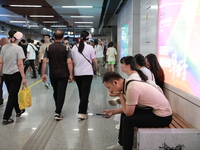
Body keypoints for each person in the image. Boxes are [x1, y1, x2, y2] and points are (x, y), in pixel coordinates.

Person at [102, 72, 172, 150]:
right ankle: (122, 143)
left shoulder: (132, 88)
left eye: (108, 87)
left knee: (127, 121)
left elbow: (128, 113)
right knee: (124, 115)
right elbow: (127, 108)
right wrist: (113, 111)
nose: (109, 91)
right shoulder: (129, 83)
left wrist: (120, 96)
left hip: (162, 117)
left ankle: (127, 148)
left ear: (115, 82)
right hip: (155, 111)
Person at [42, 30, 73, 120]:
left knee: (55, 91)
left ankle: (57, 108)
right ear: (63, 38)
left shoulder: (48, 48)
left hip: (53, 74)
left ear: (53, 38)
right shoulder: (66, 48)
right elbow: (69, 62)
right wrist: (71, 74)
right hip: (63, 74)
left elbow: (44, 61)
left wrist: (43, 74)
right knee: (61, 92)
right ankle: (58, 112)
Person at [0, 30, 27, 125]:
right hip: (15, 74)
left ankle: (18, 110)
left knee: (12, 93)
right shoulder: (18, 48)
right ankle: (6, 117)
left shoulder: (3, 48)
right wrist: (23, 77)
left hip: (5, 74)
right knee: (12, 95)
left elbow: (1, 62)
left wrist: (0, 74)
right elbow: (20, 64)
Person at [71, 30, 97, 120]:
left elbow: (72, 61)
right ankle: (81, 112)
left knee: (81, 92)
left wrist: (72, 74)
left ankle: (84, 107)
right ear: (88, 38)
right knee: (85, 92)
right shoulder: (90, 47)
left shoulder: (74, 48)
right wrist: (96, 66)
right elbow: (94, 60)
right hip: (87, 73)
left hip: (77, 73)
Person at [0, 37, 8, 106]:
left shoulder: (6, 50)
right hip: (2, 72)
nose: (0, 42)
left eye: (2, 41)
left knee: (11, 90)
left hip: (7, 72)